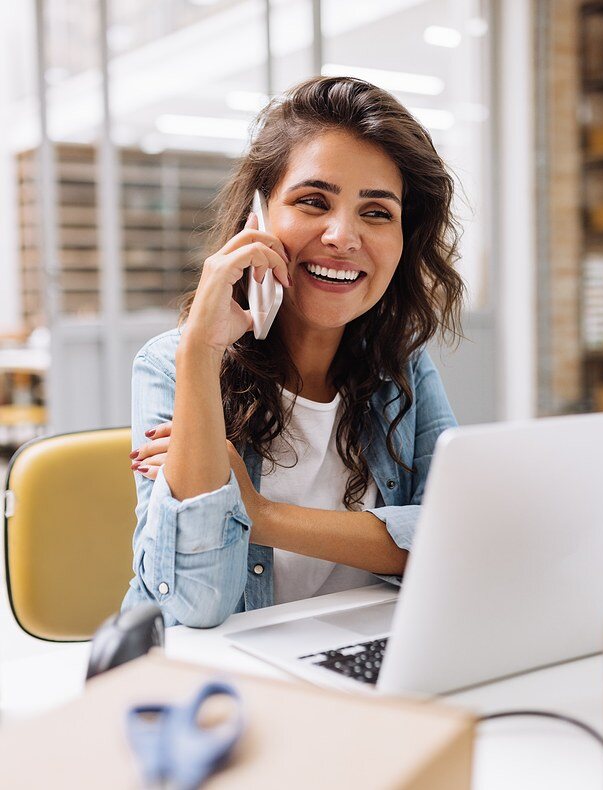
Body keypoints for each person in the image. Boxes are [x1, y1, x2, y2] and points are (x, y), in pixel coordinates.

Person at [122, 76, 464, 628]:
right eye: (312, 201)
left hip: (356, 654)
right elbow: (194, 604)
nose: (342, 235)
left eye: (376, 212)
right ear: (256, 219)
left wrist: (259, 514)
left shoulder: (399, 366)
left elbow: (451, 540)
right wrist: (201, 351)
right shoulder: (172, 363)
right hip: (219, 678)